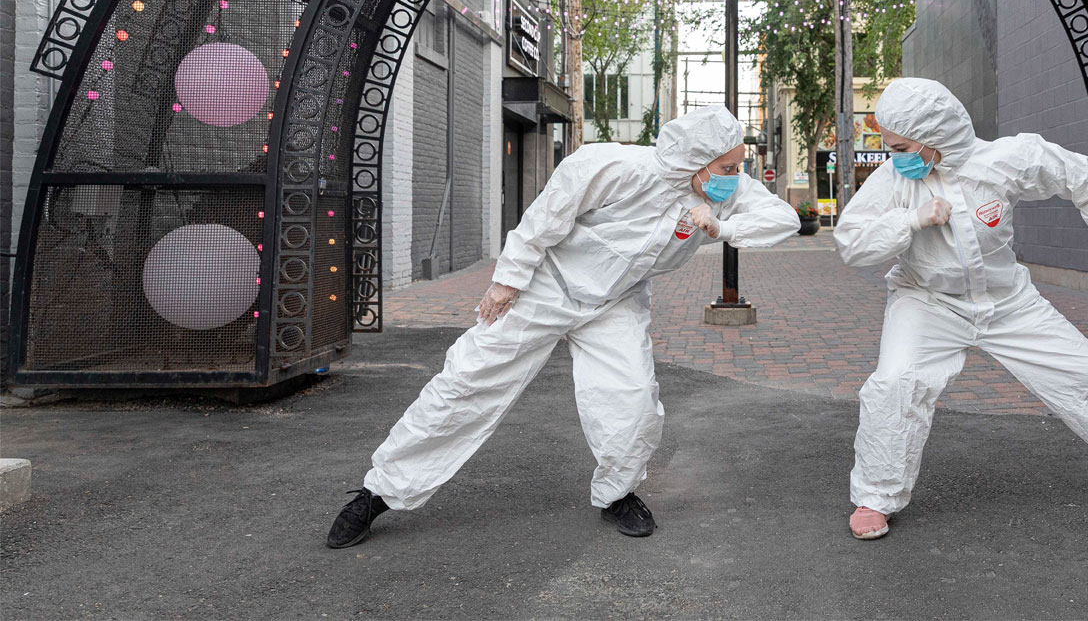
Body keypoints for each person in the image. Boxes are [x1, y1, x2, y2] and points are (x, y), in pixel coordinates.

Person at [327, 106, 799, 548]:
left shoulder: (725, 190)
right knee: (467, 381)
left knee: (631, 401)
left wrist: (722, 228)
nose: (735, 178)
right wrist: (507, 280)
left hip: (616, 302)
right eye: (726, 168)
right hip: (546, 287)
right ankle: (379, 493)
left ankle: (617, 494)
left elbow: (784, 219)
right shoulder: (614, 167)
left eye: (739, 167)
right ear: (693, 161)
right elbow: (545, 217)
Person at [834, 78, 1088, 541]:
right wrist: (911, 219)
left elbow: (1083, 177)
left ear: (935, 135)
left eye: (903, 146)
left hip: (1009, 303)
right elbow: (852, 243)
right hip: (926, 301)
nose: (897, 156)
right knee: (895, 384)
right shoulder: (893, 179)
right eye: (890, 147)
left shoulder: (1006, 160)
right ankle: (875, 496)